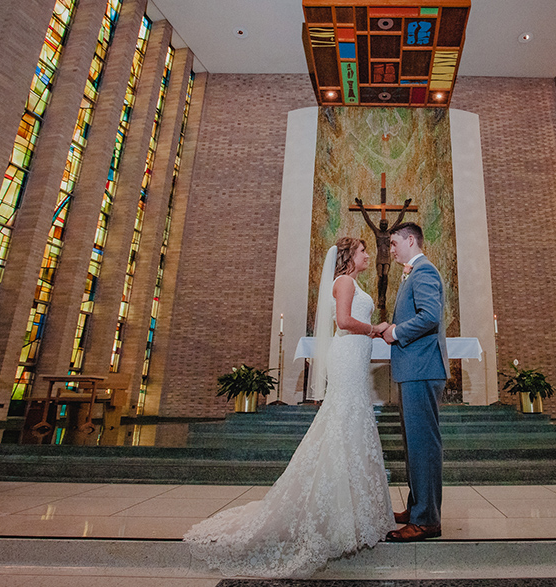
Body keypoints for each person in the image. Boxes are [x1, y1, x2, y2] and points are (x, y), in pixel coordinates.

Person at [184, 237, 393, 577]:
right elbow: (342, 322)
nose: (368, 255)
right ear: (350, 257)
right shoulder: (343, 282)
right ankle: (339, 512)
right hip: (349, 356)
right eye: (363, 251)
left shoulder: (352, 282)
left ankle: (355, 510)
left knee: (350, 424)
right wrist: (375, 329)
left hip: (355, 357)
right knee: (343, 422)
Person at [381, 222, 447, 542]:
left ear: (410, 240)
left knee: (423, 446)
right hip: (414, 369)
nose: (391, 249)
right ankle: (418, 507)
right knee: (414, 446)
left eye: (394, 243)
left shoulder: (423, 272)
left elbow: (429, 316)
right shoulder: (411, 272)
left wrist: (395, 332)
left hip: (421, 367)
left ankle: (427, 520)